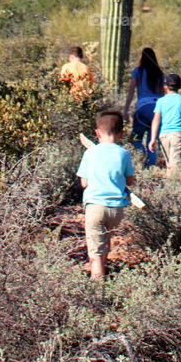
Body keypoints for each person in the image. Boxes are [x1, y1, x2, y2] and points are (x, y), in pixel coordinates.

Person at [76, 110, 135, 281]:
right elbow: (129, 181)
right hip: (117, 210)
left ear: (97, 133)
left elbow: (84, 183)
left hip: (95, 207)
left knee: (94, 251)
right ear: (121, 133)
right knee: (105, 241)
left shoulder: (90, 153)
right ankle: (105, 272)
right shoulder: (123, 153)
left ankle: (98, 287)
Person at [124, 46, 164, 166]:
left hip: (142, 108)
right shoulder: (159, 73)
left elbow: (131, 91)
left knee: (136, 138)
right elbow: (162, 94)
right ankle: (150, 167)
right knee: (151, 142)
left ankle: (142, 156)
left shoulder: (138, 71)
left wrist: (125, 109)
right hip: (157, 109)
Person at [148, 73, 181, 174]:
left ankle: (169, 187)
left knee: (170, 165)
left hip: (163, 136)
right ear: (180, 86)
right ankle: (172, 187)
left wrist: (152, 139)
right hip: (177, 135)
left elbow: (156, 120)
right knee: (175, 165)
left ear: (165, 87)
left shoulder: (160, 101)